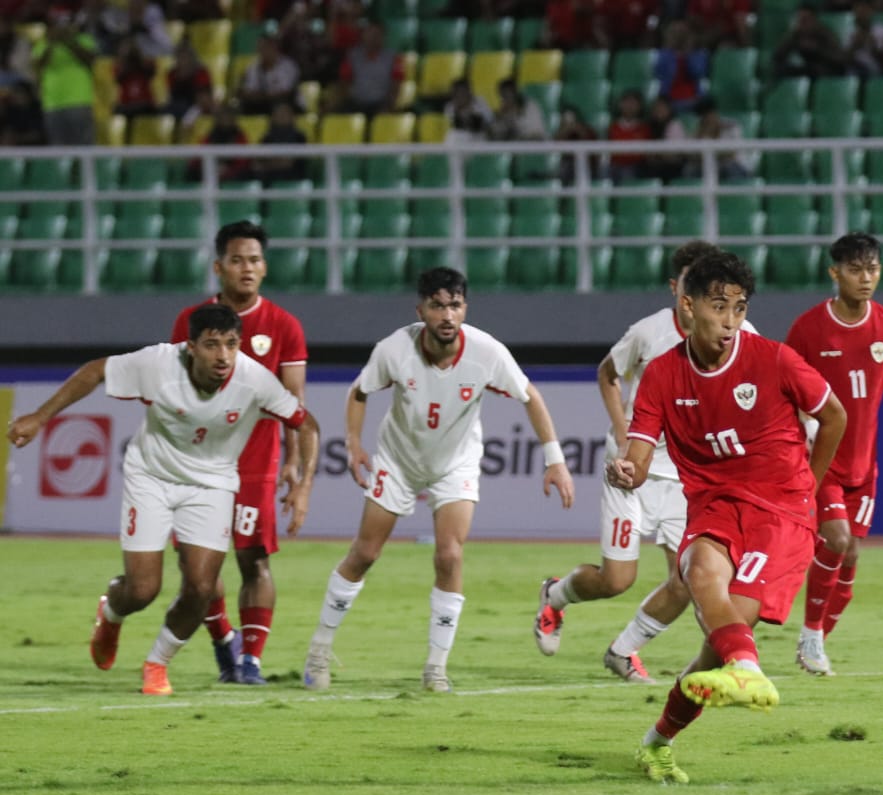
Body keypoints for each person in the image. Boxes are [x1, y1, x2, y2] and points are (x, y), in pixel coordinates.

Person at [607, 250, 847, 783]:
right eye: (720, 307)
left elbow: (834, 415)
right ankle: (751, 668)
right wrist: (627, 472)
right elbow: (641, 457)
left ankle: (657, 741)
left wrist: (809, 481)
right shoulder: (664, 375)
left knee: (715, 651)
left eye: (740, 308)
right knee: (697, 573)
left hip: (780, 512)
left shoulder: (774, 359)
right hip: (713, 507)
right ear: (687, 307)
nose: (731, 321)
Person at [6, 305, 320, 696]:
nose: (223, 356)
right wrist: (39, 416)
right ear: (190, 347)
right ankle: (111, 613)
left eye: (231, 345)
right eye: (212, 345)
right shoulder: (158, 364)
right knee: (142, 590)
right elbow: (96, 370)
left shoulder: (255, 381)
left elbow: (306, 424)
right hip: (151, 477)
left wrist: (305, 484)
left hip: (212, 484)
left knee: (201, 588)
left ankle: (157, 663)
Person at [302, 267, 576, 693]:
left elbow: (531, 396)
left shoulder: (486, 352)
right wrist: (354, 444)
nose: (447, 315)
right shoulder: (394, 349)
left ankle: (436, 667)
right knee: (365, 553)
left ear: (465, 308)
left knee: (449, 555)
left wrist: (554, 459)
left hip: (456, 463)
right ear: (421, 310)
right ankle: (319, 649)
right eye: (437, 305)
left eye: (455, 305)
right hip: (398, 459)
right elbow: (359, 392)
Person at [534, 242, 755, 682]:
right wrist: (622, 430)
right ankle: (555, 596)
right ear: (678, 290)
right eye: (692, 285)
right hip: (632, 470)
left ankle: (622, 651)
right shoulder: (649, 333)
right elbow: (607, 373)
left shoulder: (741, 334)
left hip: (686, 478)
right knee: (617, 579)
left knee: (688, 578)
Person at [169, 221, 308, 685]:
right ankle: (224, 638)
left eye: (254, 260)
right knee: (197, 568)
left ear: (264, 268)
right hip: (195, 461)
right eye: (236, 260)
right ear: (218, 266)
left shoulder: (284, 326)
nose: (246, 268)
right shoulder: (190, 320)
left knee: (253, 561)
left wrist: (294, 464)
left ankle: (251, 660)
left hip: (254, 463)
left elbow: (294, 406)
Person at [783, 232, 883, 677]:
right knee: (836, 540)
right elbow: (784, 390)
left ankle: (816, 638)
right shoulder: (808, 329)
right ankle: (810, 636)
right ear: (834, 273)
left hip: (866, 463)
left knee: (852, 557)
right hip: (822, 461)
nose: (866, 278)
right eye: (856, 270)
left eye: (873, 269)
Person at [32, 6, 97, 147]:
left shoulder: (83, 40)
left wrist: (69, 41)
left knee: (84, 146)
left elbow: (90, 59)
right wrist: (52, 42)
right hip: (52, 102)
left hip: (79, 99)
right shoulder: (44, 44)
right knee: (58, 148)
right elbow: (38, 65)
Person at [773, 4, 848, 79]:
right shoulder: (796, 35)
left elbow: (840, 60)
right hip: (808, 69)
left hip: (827, 70)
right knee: (782, 70)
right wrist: (790, 37)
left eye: (806, 20)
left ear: (814, 20)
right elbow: (778, 56)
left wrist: (817, 49)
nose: (803, 24)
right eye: (800, 20)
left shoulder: (825, 34)